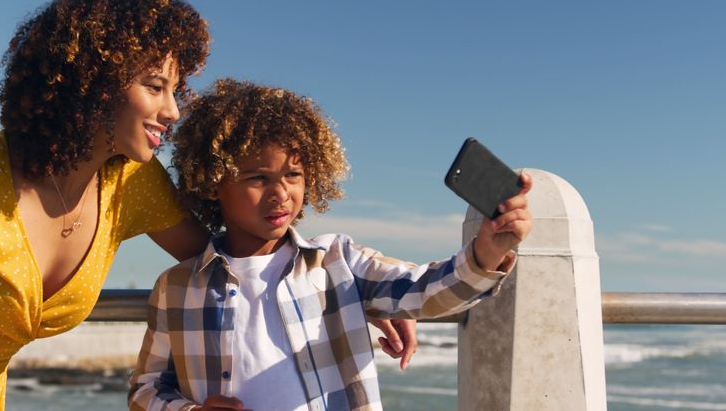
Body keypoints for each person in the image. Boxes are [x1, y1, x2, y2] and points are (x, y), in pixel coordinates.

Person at [0, 0, 419, 410]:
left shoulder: (132, 185)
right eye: (155, 86)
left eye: (177, 89)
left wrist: (341, 293)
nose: (173, 110)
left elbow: (239, 261)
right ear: (92, 83)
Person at [128, 79, 534, 411]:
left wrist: (487, 253)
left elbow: (425, 290)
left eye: (293, 175)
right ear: (214, 182)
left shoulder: (339, 261)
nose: (280, 194)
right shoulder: (177, 287)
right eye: (257, 178)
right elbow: (146, 388)